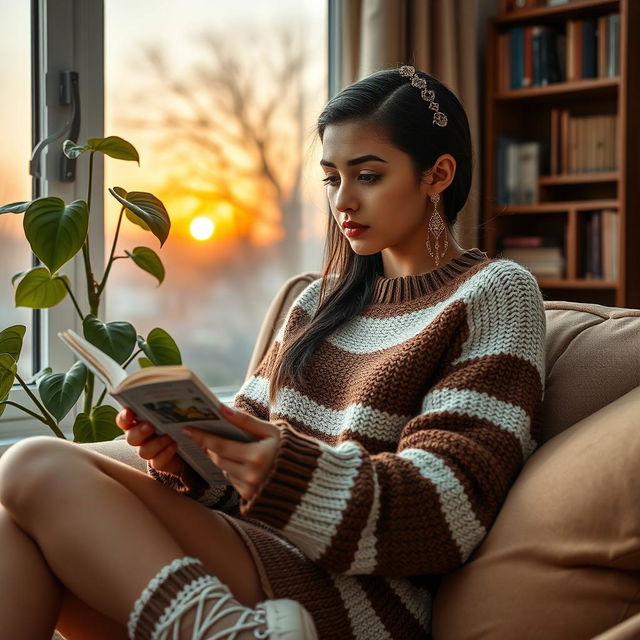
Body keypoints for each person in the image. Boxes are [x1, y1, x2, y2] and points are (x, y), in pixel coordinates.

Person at [0, 65, 546, 640]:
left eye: (368, 175)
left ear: (437, 174)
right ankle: (237, 632)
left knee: (31, 464)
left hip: (359, 592)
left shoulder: (494, 293)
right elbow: (246, 455)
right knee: (11, 520)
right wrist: (189, 455)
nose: (344, 201)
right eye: (331, 178)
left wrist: (283, 469)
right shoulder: (317, 301)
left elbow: (448, 506)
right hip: (259, 560)